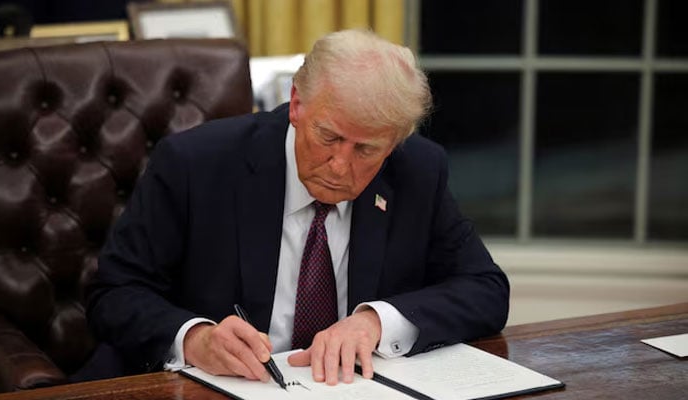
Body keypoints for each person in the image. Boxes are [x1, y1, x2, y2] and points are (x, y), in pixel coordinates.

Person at [85, 29, 509, 386]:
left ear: (394, 143)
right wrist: (195, 339)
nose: (340, 166)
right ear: (297, 104)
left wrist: (376, 322)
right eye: (328, 137)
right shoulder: (196, 164)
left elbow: (485, 289)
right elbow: (114, 294)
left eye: (366, 149)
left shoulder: (418, 171)